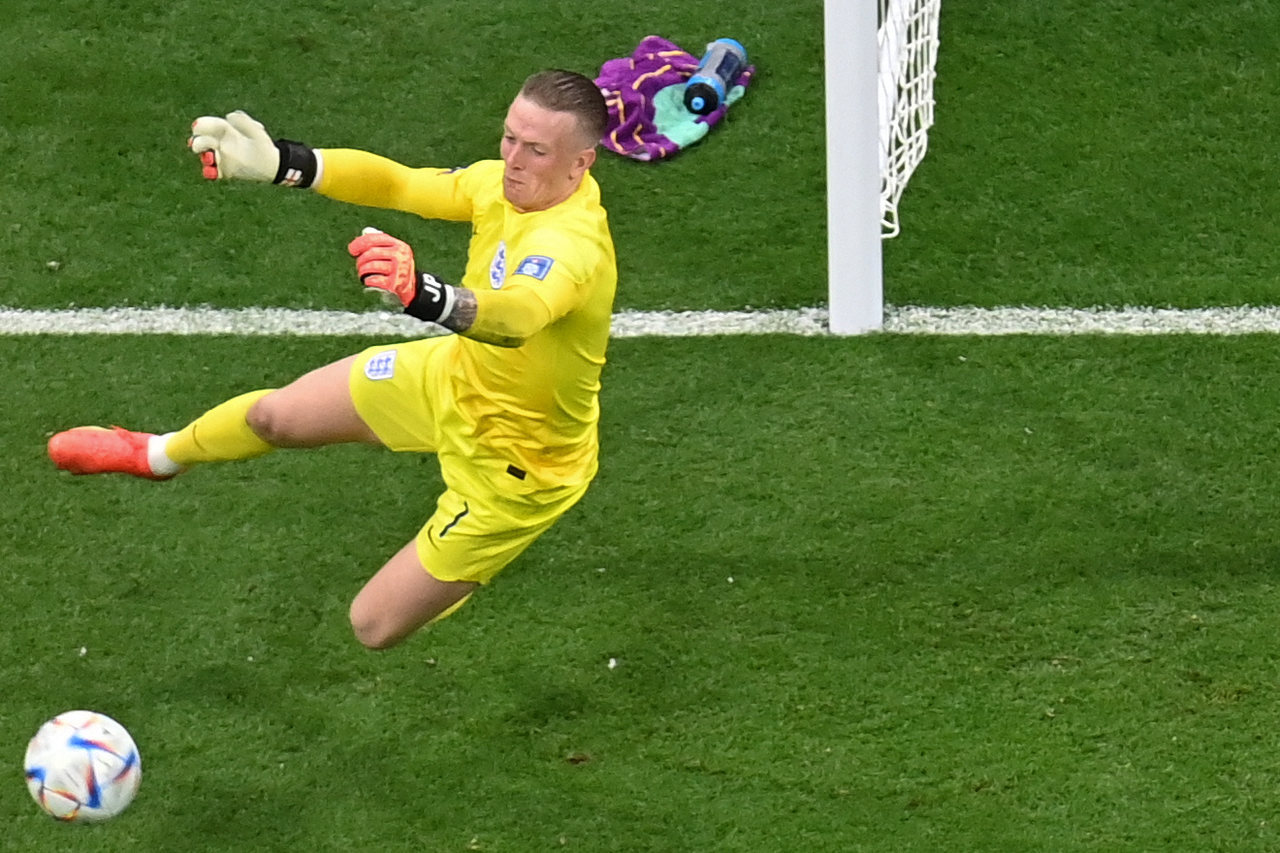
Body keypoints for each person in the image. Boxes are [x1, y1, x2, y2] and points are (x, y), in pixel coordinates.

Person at [48, 70, 617, 650]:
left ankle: (473, 565)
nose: (513, 160)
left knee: (372, 626)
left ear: (581, 163)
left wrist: (427, 295)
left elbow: (520, 314)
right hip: (453, 376)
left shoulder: (570, 246)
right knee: (276, 418)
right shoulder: (498, 185)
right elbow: (399, 184)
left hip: (519, 462)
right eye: (509, 138)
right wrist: (284, 163)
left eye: (537, 150)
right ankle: (155, 456)